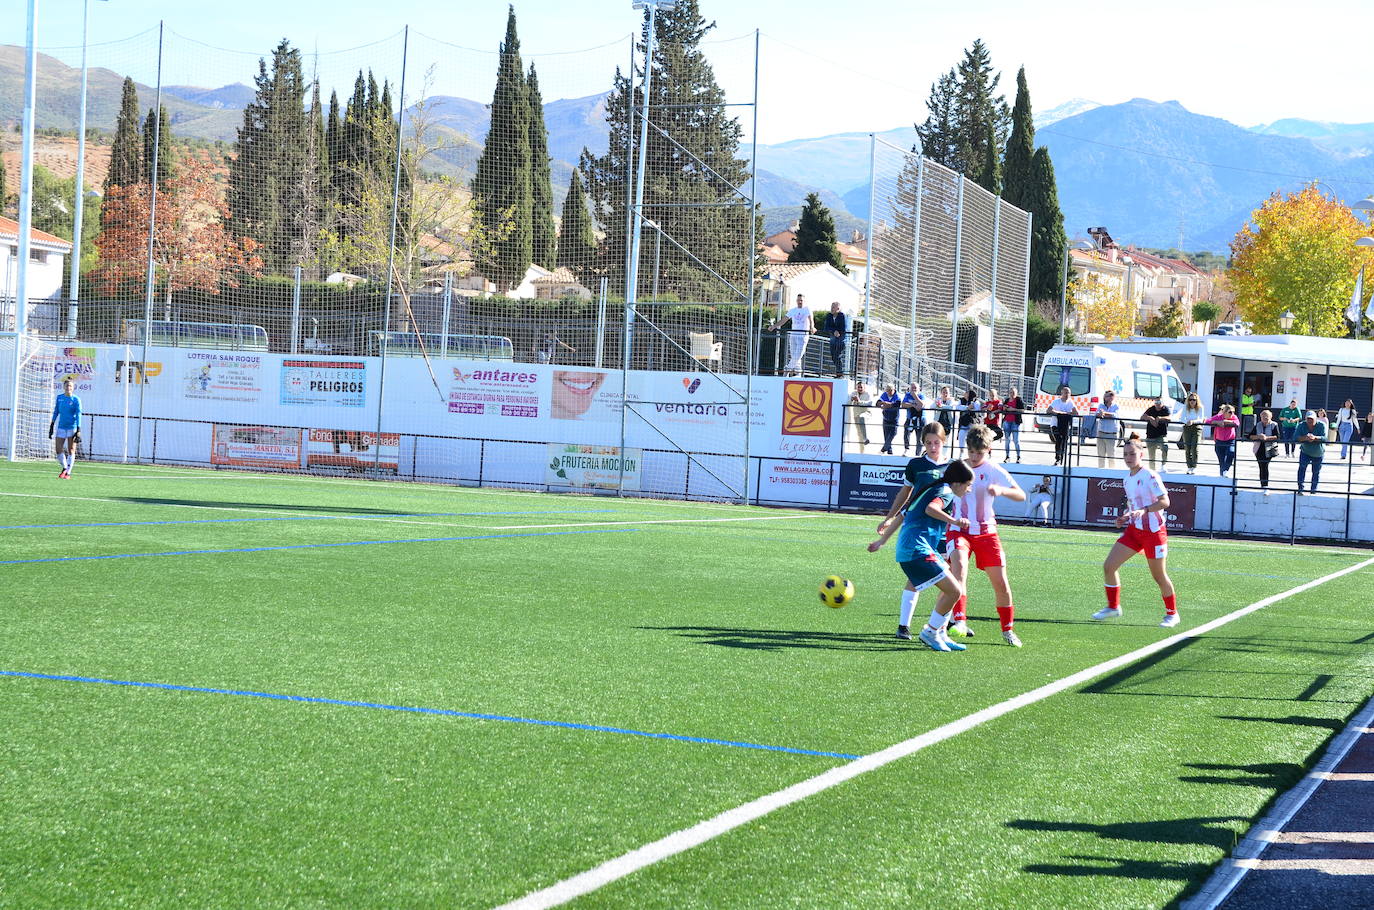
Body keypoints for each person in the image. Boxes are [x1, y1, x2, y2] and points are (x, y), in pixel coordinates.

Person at [868, 460, 973, 653]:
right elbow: (930, 509)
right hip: (917, 550)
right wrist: (954, 521)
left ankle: (940, 633)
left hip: (911, 549)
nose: (969, 490)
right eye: (968, 485)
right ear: (958, 483)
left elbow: (904, 515)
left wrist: (881, 542)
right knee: (954, 591)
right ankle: (931, 632)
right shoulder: (946, 492)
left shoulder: (931, 489)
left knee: (952, 587)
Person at [945, 423, 1028, 646]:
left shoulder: (993, 470)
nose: (973, 456)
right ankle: (959, 621)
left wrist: (1001, 490)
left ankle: (1008, 630)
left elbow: (1021, 495)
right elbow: (941, 490)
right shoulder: (959, 468)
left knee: (1001, 584)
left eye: (979, 453)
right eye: (970, 451)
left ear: (988, 450)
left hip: (986, 532)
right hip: (958, 530)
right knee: (959, 568)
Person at [1093, 435, 1179, 628]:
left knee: (1158, 576)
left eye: (1132, 454)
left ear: (1141, 454)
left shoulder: (1150, 476)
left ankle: (1172, 614)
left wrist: (1146, 510)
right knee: (1109, 566)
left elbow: (1165, 502)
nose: (1128, 457)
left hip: (1154, 532)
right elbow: (1135, 506)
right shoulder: (1127, 479)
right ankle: (1113, 607)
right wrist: (1125, 516)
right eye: (1125, 454)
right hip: (1135, 530)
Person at [876, 422, 948, 640]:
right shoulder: (916, 465)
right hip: (917, 527)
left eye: (936, 442)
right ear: (923, 443)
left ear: (944, 442)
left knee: (951, 578)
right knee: (916, 577)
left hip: (943, 530)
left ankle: (947, 625)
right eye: (928, 443)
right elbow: (904, 495)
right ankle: (903, 626)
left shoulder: (954, 466)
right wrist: (889, 518)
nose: (933, 447)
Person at [49, 377, 81, 479]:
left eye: (70, 386)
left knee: (71, 450)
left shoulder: (76, 400)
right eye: (67, 385)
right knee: (58, 449)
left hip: (72, 428)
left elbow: (79, 414)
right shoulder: (59, 398)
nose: (68, 387)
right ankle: (64, 467)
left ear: (73, 388)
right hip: (61, 427)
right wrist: (52, 425)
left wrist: (78, 430)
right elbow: (56, 411)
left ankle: (68, 473)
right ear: (64, 387)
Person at [782, 295, 815, 376]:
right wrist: (774, 326)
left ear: (804, 301)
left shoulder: (807, 309)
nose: (800, 302)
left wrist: (812, 327)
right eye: (798, 300)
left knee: (798, 354)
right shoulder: (793, 310)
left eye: (801, 300)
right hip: (793, 336)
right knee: (794, 356)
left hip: (802, 336)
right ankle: (798, 374)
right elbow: (784, 320)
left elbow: (811, 320)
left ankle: (788, 368)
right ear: (796, 301)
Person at [1297, 410, 1327, 494]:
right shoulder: (1301, 425)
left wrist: (1315, 438)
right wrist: (1305, 438)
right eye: (1308, 419)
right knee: (1302, 469)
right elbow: (1295, 437)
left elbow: (1325, 438)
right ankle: (1300, 488)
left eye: (1312, 419)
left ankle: (1313, 489)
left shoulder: (1322, 425)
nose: (1310, 421)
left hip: (1318, 453)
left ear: (1316, 419)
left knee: (1316, 472)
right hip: (1305, 451)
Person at [1251, 409, 1279, 494]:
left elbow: (1277, 436)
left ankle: (1265, 485)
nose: (1265, 418)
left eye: (1267, 417)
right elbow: (1250, 436)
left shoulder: (1274, 425)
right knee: (1261, 466)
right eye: (1263, 416)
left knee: (1265, 465)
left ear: (1271, 417)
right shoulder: (1258, 425)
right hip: (1259, 448)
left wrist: (1266, 438)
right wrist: (1258, 437)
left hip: (1269, 447)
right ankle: (1263, 485)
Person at [1207, 404, 1240, 477]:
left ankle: (1226, 470)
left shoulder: (1234, 417)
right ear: (1224, 412)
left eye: (1233, 412)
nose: (1232, 414)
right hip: (1219, 441)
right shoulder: (1218, 417)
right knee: (1221, 459)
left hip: (1230, 440)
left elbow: (1237, 423)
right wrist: (1217, 422)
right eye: (1230, 412)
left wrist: (1225, 421)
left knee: (1231, 453)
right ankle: (1222, 475)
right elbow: (1208, 421)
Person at [1048, 385, 1078, 466]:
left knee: (1064, 442)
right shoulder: (1056, 401)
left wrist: (1067, 413)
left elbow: (1076, 412)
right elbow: (1049, 410)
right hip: (1055, 425)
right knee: (1059, 440)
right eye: (1065, 393)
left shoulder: (1070, 402)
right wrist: (1059, 413)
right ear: (1062, 393)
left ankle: (1062, 459)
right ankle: (1058, 458)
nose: (1067, 394)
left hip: (1065, 426)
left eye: (1068, 393)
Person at [1179, 392, 1207, 474]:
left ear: (1196, 401)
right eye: (1190, 399)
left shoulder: (1200, 407)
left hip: (1197, 428)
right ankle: (1189, 466)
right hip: (1187, 428)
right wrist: (1186, 421)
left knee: (1194, 448)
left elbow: (1201, 419)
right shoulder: (1185, 407)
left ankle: (1194, 466)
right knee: (1187, 448)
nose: (1192, 401)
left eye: (1194, 400)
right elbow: (1181, 418)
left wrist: (1193, 421)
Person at [1142, 395, 1172, 468]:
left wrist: (1161, 418)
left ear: (1162, 402)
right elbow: (1142, 417)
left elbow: (1170, 418)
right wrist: (1150, 418)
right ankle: (1152, 470)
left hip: (1161, 435)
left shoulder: (1165, 409)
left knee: (1165, 447)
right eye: (1156, 402)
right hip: (1151, 435)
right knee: (1151, 455)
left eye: (1159, 402)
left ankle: (1163, 465)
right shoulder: (1151, 409)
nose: (1157, 403)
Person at [1093, 389, 1122, 467]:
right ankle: (1101, 472)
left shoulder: (1116, 406)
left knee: (1111, 456)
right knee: (1100, 455)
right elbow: (1097, 414)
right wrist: (1100, 414)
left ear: (1112, 397)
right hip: (1101, 432)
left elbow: (1115, 415)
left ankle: (1111, 473)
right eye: (1104, 396)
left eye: (1106, 396)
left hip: (1111, 434)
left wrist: (1104, 413)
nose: (1104, 398)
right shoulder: (1101, 405)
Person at [822, 301, 847, 378]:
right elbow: (826, 327)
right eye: (831, 307)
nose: (831, 309)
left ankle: (840, 374)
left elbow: (843, 327)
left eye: (833, 307)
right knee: (833, 356)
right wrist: (834, 331)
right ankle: (839, 373)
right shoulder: (829, 316)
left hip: (841, 339)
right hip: (833, 339)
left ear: (838, 308)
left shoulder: (842, 316)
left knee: (838, 355)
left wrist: (837, 332)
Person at [848, 381, 875, 451]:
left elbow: (870, 403)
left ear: (864, 388)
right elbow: (847, 402)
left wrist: (859, 401)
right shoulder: (853, 393)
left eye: (861, 387)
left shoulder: (868, 394)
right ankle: (862, 452)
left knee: (862, 417)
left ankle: (865, 438)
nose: (860, 389)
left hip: (866, 413)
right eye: (858, 387)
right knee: (859, 434)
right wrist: (851, 399)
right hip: (856, 415)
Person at [1001, 388, 1024, 462]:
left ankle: (1018, 457)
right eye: (1010, 392)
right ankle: (1007, 456)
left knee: (1016, 440)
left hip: (1015, 422)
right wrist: (1004, 408)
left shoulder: (1019, 400)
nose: (1012, 394)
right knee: (1007, 440)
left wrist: (1013, 409)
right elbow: (1003, 411)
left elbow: (1022, 410)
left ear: (1016, 393)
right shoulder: (1007, 400)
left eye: (1013, 392)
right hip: (1007, 421)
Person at [900, 383, 925, 453]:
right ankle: (906, 449)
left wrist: (915, 396)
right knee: (906, 434)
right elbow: (903, 404)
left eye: (915, 388)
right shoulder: (907, 395)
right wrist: (913, 405)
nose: (914, 389)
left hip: (920, 419)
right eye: (912, 388)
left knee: (919, 438)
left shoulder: (921, 395)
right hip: (910, 417)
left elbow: (921, 405)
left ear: (919, 389)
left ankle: (918, 453)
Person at [878, 383, 901, 455]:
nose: (889, 392)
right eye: (887, 390)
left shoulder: (896, 395)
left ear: (894, 390)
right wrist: (882, 404)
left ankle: (884, 448)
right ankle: (889, 450)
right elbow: (878, 403)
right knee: (886, 435)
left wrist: (887, 405)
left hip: (894, 418)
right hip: (886, 417)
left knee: (893, 433)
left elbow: (897, 404)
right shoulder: (884, 394)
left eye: (890, 390)